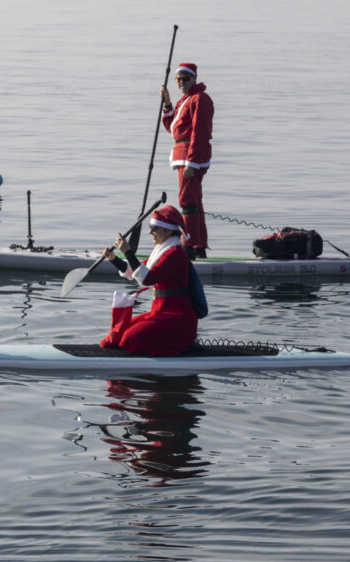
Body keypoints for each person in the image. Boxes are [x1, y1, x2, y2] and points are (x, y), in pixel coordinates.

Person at [99, 205, 199, 356]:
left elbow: (146, 279)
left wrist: (128, 252)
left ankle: (181, 344)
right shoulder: (161, 250)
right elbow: (135, 271)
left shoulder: (175, 254)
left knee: (128, 339)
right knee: (119, 333)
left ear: (168, 230)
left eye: (154, 228)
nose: (150, 232)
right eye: (150, 227)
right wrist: (113, 259)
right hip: (159, 313)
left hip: (177, 319)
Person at [160, 63, 214, 258]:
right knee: (194, 200)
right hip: (183, 154)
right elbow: (172, 128)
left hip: (190, 156)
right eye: (178, 79)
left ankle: (188, 247)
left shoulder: (200, 99)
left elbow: (200, 133)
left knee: (187, 201)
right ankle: (199, 246)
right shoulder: (186, 99)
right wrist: (167, 103)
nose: (182, 82)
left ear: (194, 78)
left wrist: (192, 163)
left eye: (186, 79)